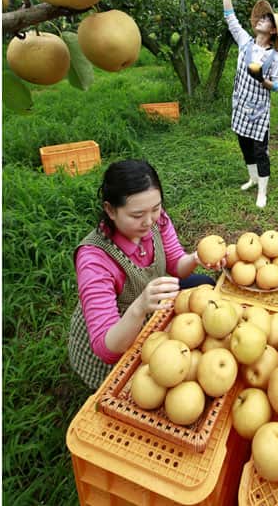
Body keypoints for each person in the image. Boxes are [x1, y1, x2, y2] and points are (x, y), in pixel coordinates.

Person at [68, 159, 223, 389]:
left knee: (201, 282)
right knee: (149, 384)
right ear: (110, 210)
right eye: (137, 214)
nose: (149, 221)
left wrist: (195, 259)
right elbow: (106, 347)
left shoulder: (156, 221)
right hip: (119, 333)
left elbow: (175, 265)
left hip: (152, 307)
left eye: (155, 208)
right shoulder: (94, 259)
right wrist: (140, 306)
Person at [224, 0, 278, 208]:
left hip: (259, 112)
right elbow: (229, 15)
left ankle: (263, 190)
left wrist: (262, 79)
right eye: (261, 18)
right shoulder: (244, 42)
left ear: (272, 31)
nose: (261, 20)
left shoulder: (275, 58)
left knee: (261, 151)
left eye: (266, 20)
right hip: (240, 105)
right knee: (244, 144)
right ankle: (251, 178)